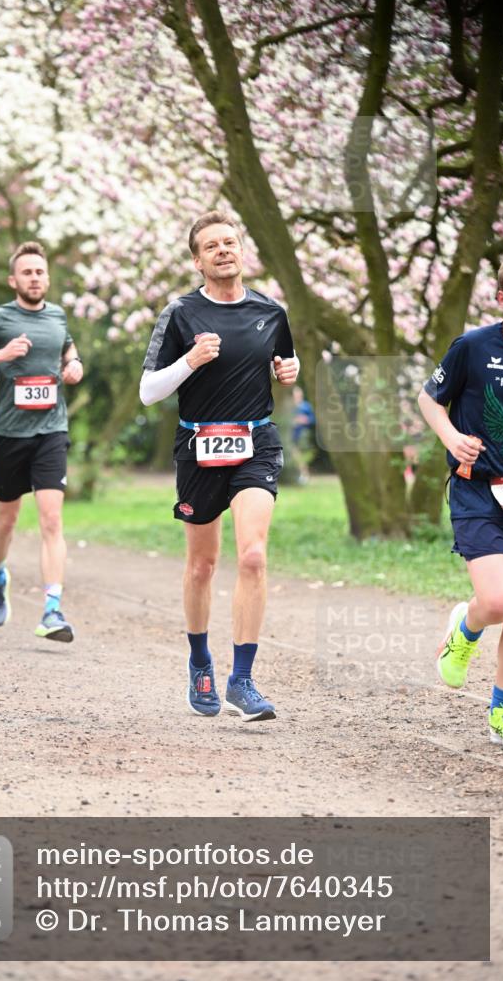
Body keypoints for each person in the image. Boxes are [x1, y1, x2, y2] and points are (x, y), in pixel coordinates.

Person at [140, 211, 299, 722]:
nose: (224, 250)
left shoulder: (271, 312)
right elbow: (147, 392)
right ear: (198, 260)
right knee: (202, 565)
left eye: (230, 241)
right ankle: (200, 660)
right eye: (212, 246)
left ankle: (243, 680)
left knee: (252, 556)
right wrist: (190, 361)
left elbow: (282, 365)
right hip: (199, 447)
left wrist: (288, 371)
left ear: (241, 250)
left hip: (256, 442)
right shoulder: (180, 314)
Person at [0, 241, 83, 642]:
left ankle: (52, 609)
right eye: (26, 272)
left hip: (51, 431)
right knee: (7, 519)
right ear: (13, 280)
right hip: (9, 434)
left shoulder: (58, 316)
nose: (34, 278)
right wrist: (0, 354)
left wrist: (73, 363)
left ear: (47, 277)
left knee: (51, 519)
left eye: (40, 272)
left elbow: (67, 347)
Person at [418, 255, 503, 750]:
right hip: (478, 488)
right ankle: (466, 629)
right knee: (499, 601)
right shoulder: (474, 347)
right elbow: (429, 399)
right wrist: (452, 438)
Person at [291, 384, 316, 484]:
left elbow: (313, 419)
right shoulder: (291, 407)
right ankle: (301, 475)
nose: (297, 396)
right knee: (295, 455)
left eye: (298, 394)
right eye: (295, 394)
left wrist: (304, 420)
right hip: (292, 435)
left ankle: (304, 475)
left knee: (300, 456)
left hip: (303, 435)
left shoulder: (306, 406)